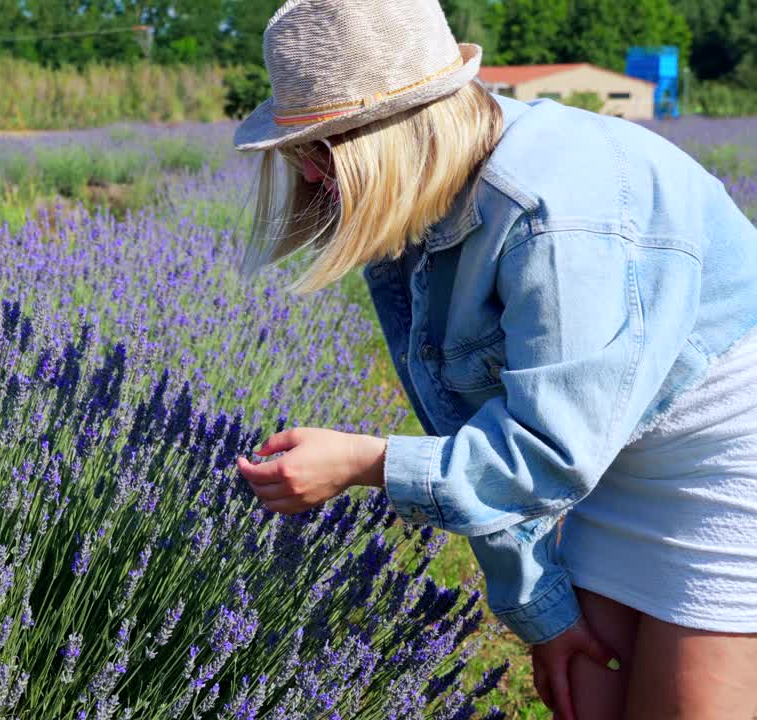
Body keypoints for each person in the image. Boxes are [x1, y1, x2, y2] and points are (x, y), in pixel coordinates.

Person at [230, 1, 757, 719]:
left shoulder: (551, 212)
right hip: (615, 456)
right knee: (592, 695)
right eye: (299, 152)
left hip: (725, 448)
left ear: (394, 133)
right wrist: (544, 613)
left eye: (321, 152)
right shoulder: (424, 207)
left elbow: (543, 452)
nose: (313, 180)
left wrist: (369, 463)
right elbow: (475, 427)